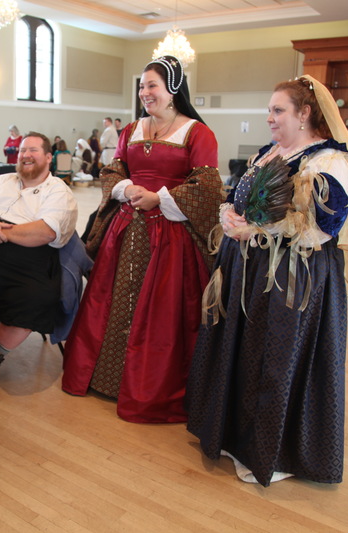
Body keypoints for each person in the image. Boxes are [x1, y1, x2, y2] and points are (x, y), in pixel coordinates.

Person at [185, 76, 348, 486]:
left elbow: (321, 228)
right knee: (242, 351)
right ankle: (232, 436)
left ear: (304, 113)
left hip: (292, 274)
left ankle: (270, 451)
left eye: (278, 110)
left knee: (275, 358)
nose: (269, 118)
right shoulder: (268, 153)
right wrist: (228, 216)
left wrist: (255, 231)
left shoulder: (328, 161)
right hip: (248, 268)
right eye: (269, 111)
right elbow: (235, 199)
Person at [61, 56, 225, 423]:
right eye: (141, 86)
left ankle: (148, 389)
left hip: (171, 237)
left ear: (173, 89)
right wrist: (126, 188)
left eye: (152, 86)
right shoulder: (132, 130)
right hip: (125, 229)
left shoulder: (197, 133)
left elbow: (208, 187)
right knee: (110, 301)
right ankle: (105, 378)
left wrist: (160, 198)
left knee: (162, 311)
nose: (145, 93)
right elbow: (112, 170)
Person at [0, 132, 78, 395]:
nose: (26, 155)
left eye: (33, 150)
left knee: (36, 298)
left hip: (25, 261)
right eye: (22, 150)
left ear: (49, 157)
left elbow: (46, 231)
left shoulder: (58, 190)